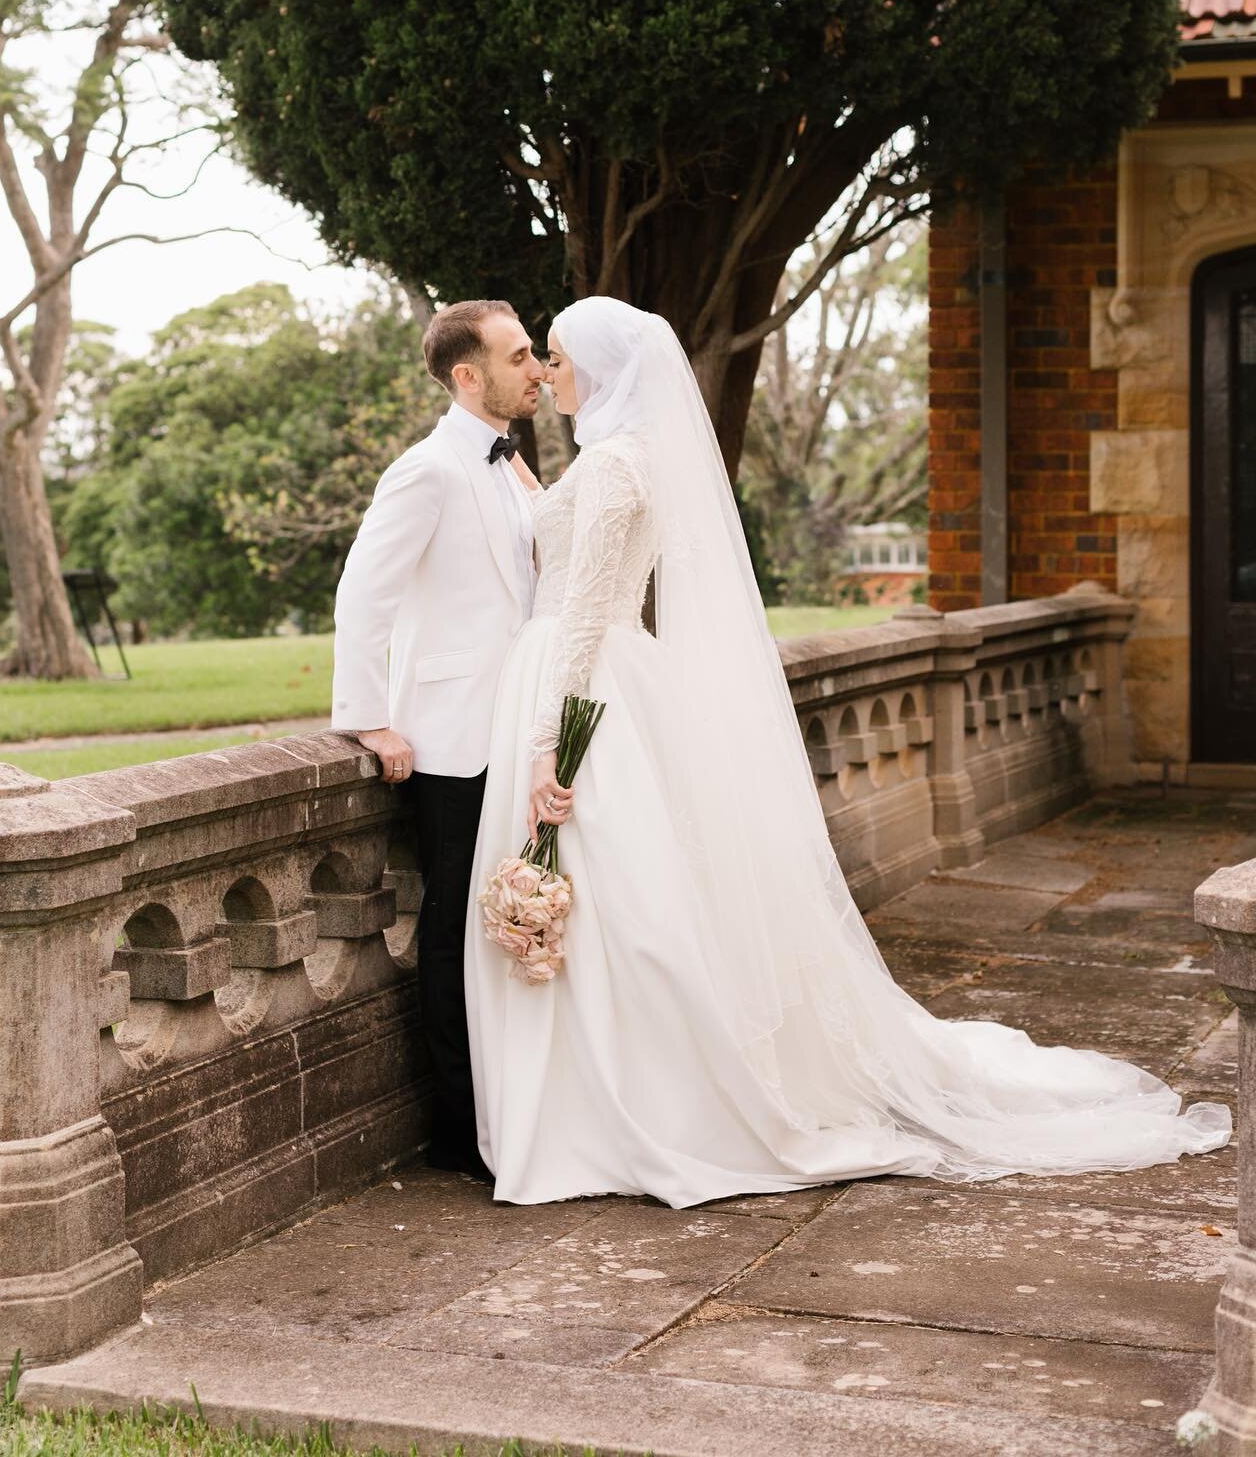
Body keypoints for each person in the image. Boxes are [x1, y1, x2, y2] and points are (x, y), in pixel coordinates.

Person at [462, 295, 1231, 1207]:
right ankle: (592, 1102)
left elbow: (588, 609)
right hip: (602, 677)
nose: (548, 371)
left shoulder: (620, 465)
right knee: (631, 903)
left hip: (584, 684)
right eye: (540, 356)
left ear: (602, 367)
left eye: (556, 355)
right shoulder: (615, 459)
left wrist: (556, 740)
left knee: (627, 908)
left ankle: (621, 1109)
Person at [331, 298, 548, 1180]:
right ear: (469, 375)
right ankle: (465, 1134)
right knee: (455, 930)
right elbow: (363, 594)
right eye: (520, 355)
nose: (536, 368)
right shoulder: (425, 471)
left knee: (517, 925)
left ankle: (524, 1106)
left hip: (519, 726)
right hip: (453, 741)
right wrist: (371, 715)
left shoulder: (511, 465)